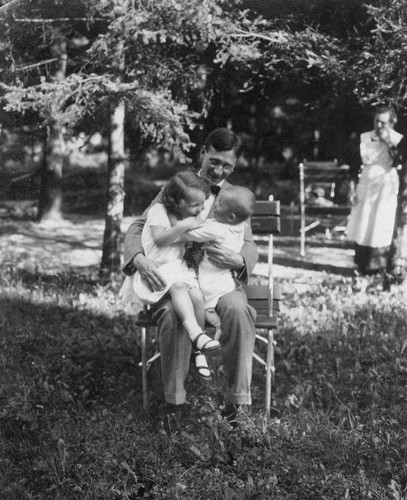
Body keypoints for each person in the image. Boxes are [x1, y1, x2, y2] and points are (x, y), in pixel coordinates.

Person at [122, 128, 258, 421]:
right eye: (215, 161)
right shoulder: (181, 186)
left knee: (238, 309)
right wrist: (139, 259)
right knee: (173, 315)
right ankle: (175, 403)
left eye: (227, 165)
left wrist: (239, 259)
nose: (219, 170)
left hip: (218, 280)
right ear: (203, 153)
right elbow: (140, 225)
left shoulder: (233, 197)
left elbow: (248, 243)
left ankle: (239, 404)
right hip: (177, 278)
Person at [119, 171, 220, 381]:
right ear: (179, 202)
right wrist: (183, 226)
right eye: (196, 206)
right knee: (178, 288)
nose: (201, 209)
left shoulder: (190, 214)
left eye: (202, 204)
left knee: (197, 297)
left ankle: (198, 350)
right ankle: (195, 333)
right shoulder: (158, 211)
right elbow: (160, 240)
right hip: (154, 272)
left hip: (177, 269)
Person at [183, 185, 256, 342]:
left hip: (210, 279)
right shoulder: (238, 225)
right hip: (225, 280)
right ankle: (213, 333)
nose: (215, 204)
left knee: (205, 303)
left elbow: (190, 233)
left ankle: (204, 340)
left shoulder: (217, 228)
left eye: (220, 204)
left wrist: (179, 223)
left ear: (231, 217)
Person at [346, 105, 404, 275]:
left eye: (383, 122)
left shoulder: (397, 139)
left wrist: (387, 141)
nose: (379, 125)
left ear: (391, 123)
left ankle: (379, 266)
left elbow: (399, 161)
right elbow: (354, 165)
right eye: (376, 121)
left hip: (385, 184)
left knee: (381, 222)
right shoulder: (365, 138)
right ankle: (361, 264)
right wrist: (351, 189)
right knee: (363, 220)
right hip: (367, 183)